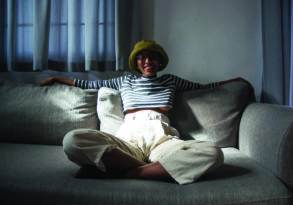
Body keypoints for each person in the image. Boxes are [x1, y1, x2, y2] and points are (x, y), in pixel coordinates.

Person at [41, 40, 247, 185]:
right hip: (128, 138)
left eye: (153, 57)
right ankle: (153, 169)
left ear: (160, 62)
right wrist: (58, 78)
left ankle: (126, 172)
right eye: (142, 57)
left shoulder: (170, 80)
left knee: (212, 153)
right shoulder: (125, 80)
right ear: (136, 62)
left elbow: (204, 86)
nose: (148, 61)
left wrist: (233, 81)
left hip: (163, 139)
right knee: (72, 140)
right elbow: (90, 83)